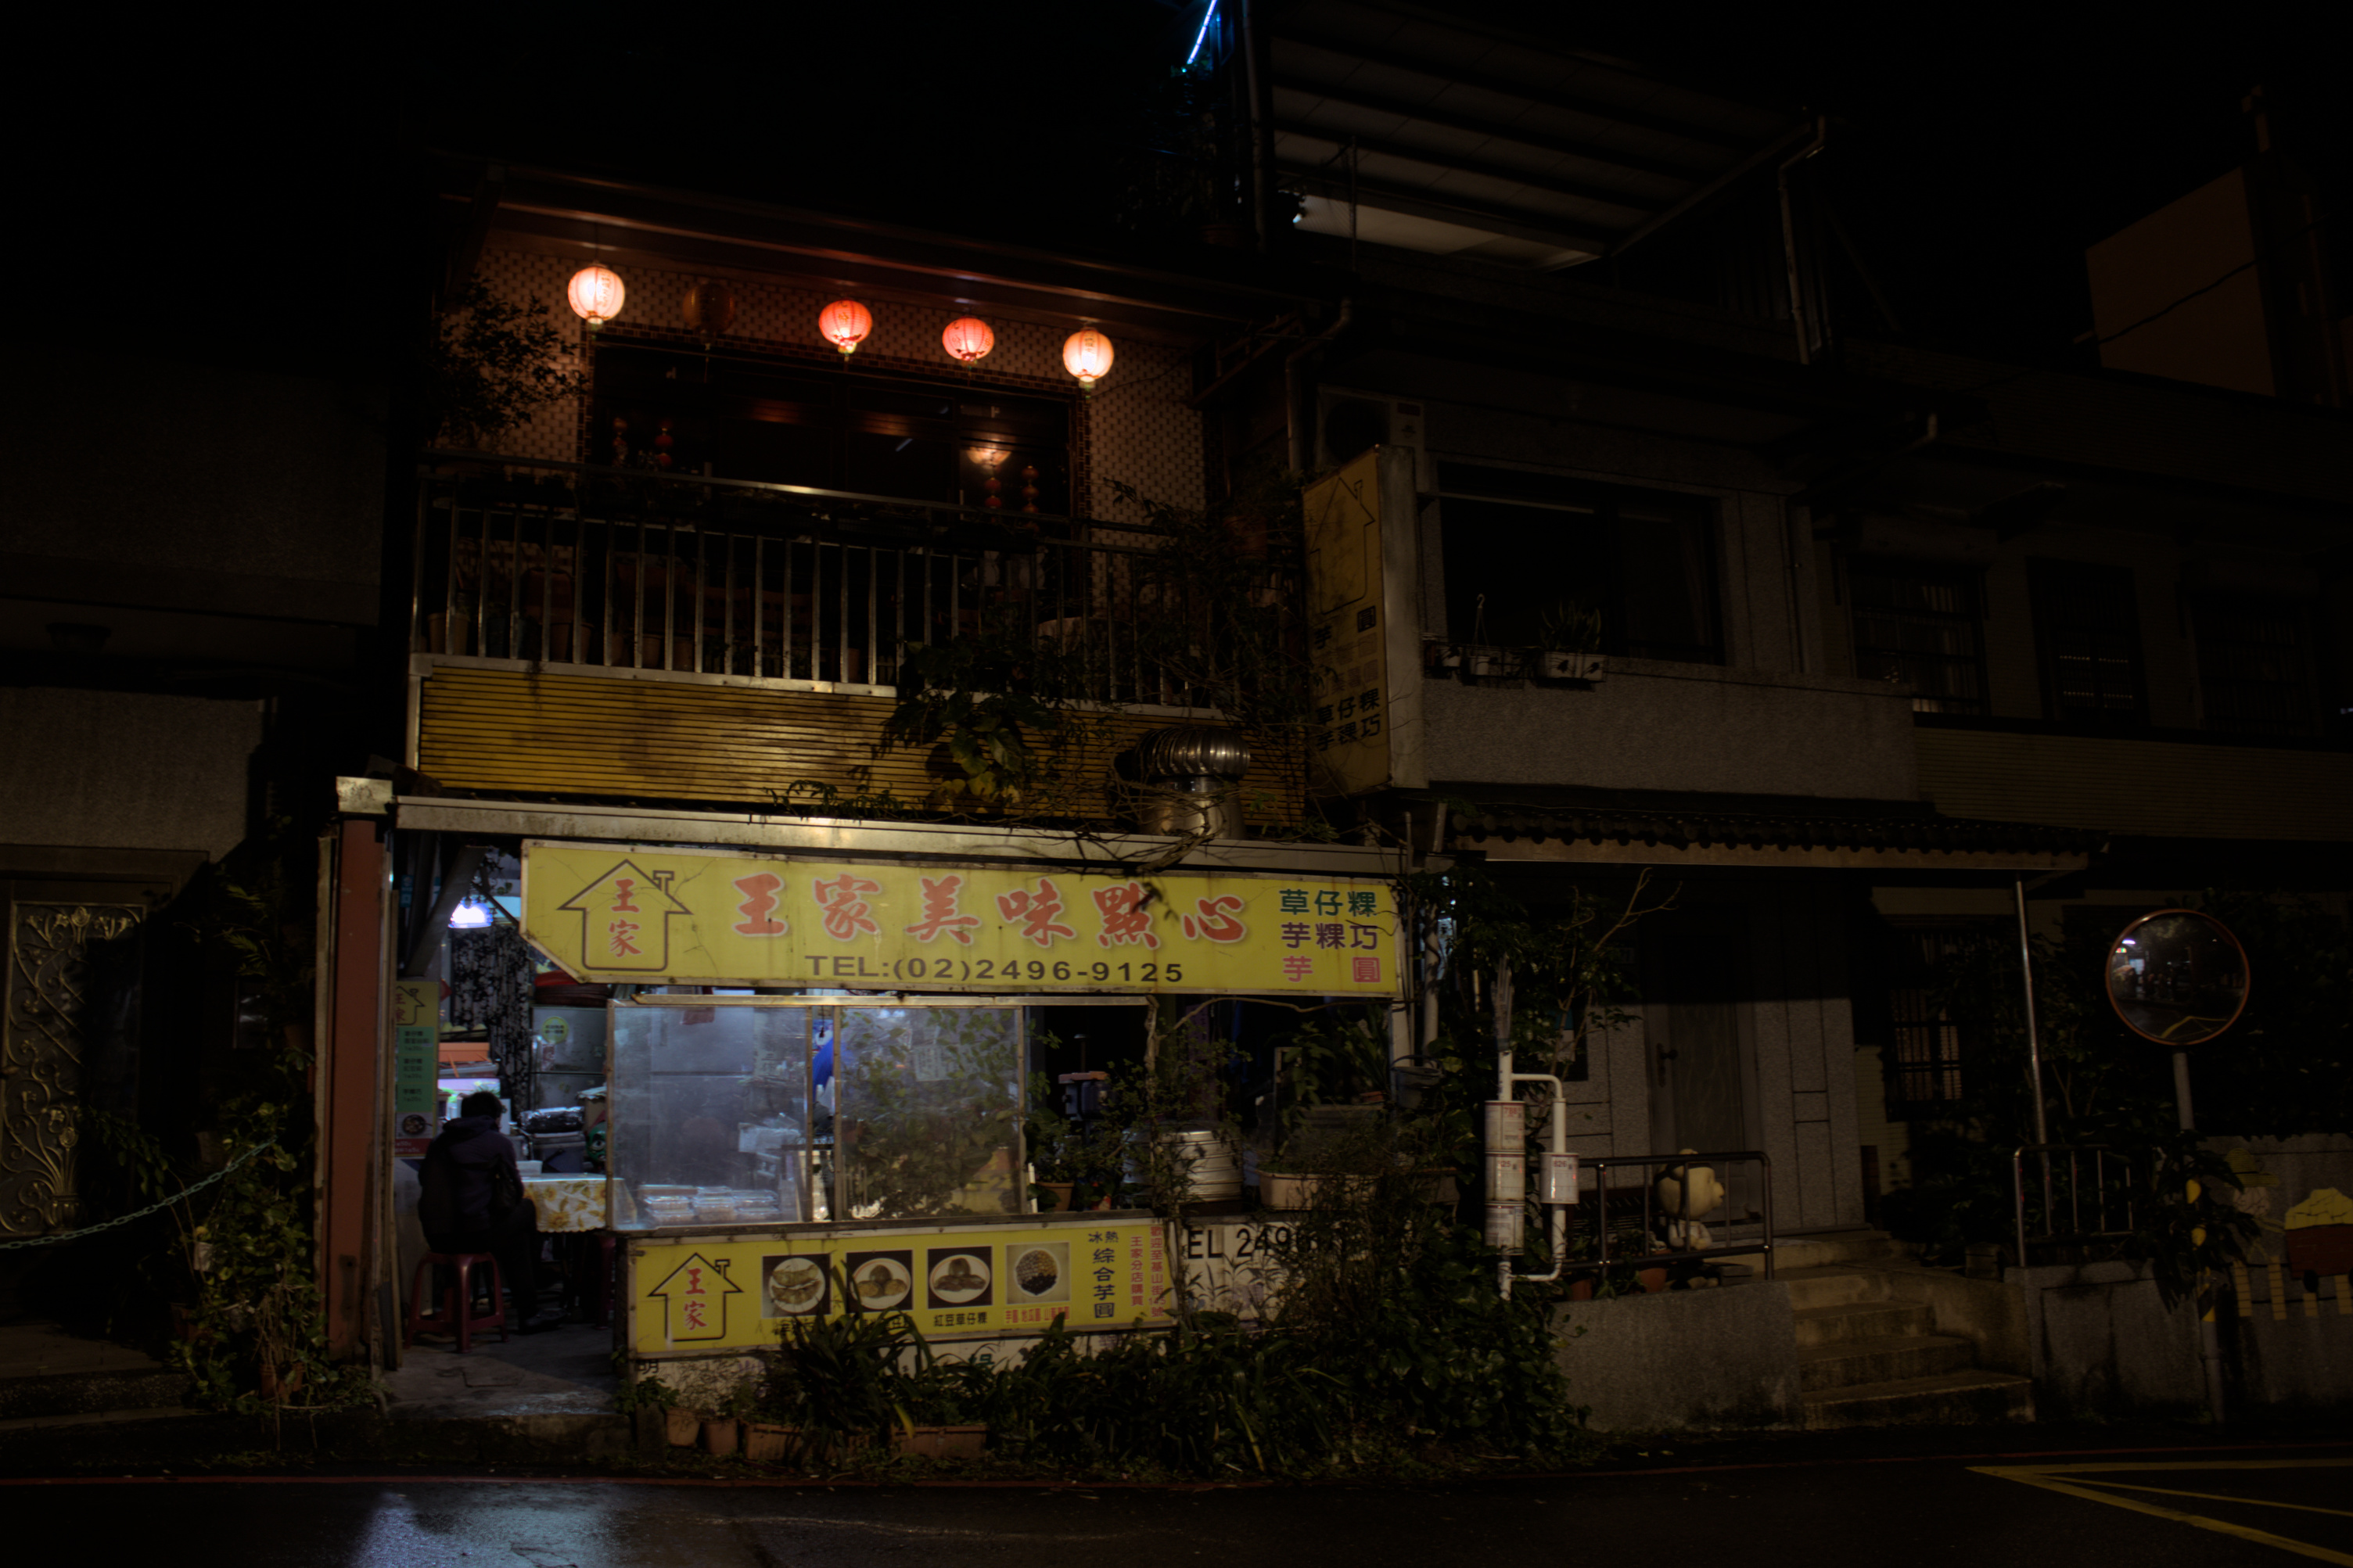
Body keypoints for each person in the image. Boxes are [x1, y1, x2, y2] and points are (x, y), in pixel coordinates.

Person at [418, 1090, 554, 1330]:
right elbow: (515, 1191)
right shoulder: (497, 1142)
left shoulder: (439, 1141)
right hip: (473, 1235)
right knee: (526, 1214)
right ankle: (532, 1300)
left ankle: (529, 1305)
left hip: (435, 1237)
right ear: (495, 1117)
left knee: (515, 1237)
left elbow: (424, 1180)